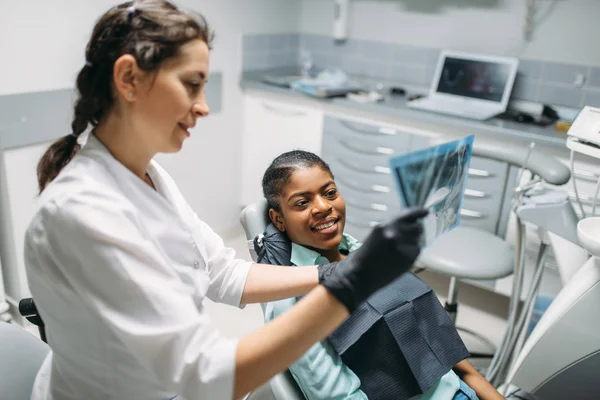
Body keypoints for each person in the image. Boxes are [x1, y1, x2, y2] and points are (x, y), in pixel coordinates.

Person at [23, 2, 429, 400]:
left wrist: (338, 272)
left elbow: (222, 274)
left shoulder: (150, 176)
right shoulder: (82, 215)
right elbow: (203, 376)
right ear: (129, 78)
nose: (203, 106)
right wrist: (352, 287)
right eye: (191, 84)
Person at [258, 150, 505, 400]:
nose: (323, 207)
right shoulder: (290, 303)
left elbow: (449, 357)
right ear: (279, 220)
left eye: (330, 193)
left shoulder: (362, 252)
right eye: (302, 202)